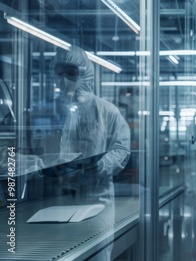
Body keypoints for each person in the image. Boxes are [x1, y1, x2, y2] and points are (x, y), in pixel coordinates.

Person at [53, 46, 131, 260]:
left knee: (96, 256)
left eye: (70, 73)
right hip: (59, 199)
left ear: (84, 73)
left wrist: (102, 164)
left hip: (97, 199)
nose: (63, 80)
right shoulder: (53, 111)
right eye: (59, 73)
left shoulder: (107, 111)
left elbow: (122, 149)